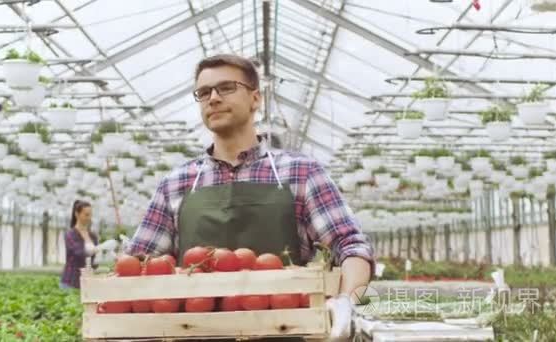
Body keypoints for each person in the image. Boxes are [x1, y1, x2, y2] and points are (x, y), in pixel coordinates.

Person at [125, 54, 375, 340]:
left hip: (288, 333)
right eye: (204, 92)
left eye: (226, 87)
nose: (213, 98)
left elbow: (352, 246)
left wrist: (346, 305)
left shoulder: (301, 172)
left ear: (256, 99)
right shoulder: (176, 183)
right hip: (196, 334)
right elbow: (139, 263)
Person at [60, 200, 117, 290]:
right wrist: (99, 248)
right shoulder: (70, 234)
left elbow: (94, 262)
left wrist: (105, 254)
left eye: (90, 215)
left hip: (86, 282)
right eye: (86, 215)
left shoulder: (92, 236)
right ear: (77, 214)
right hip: (70, 282)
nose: (89, 218)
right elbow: (78, 252)